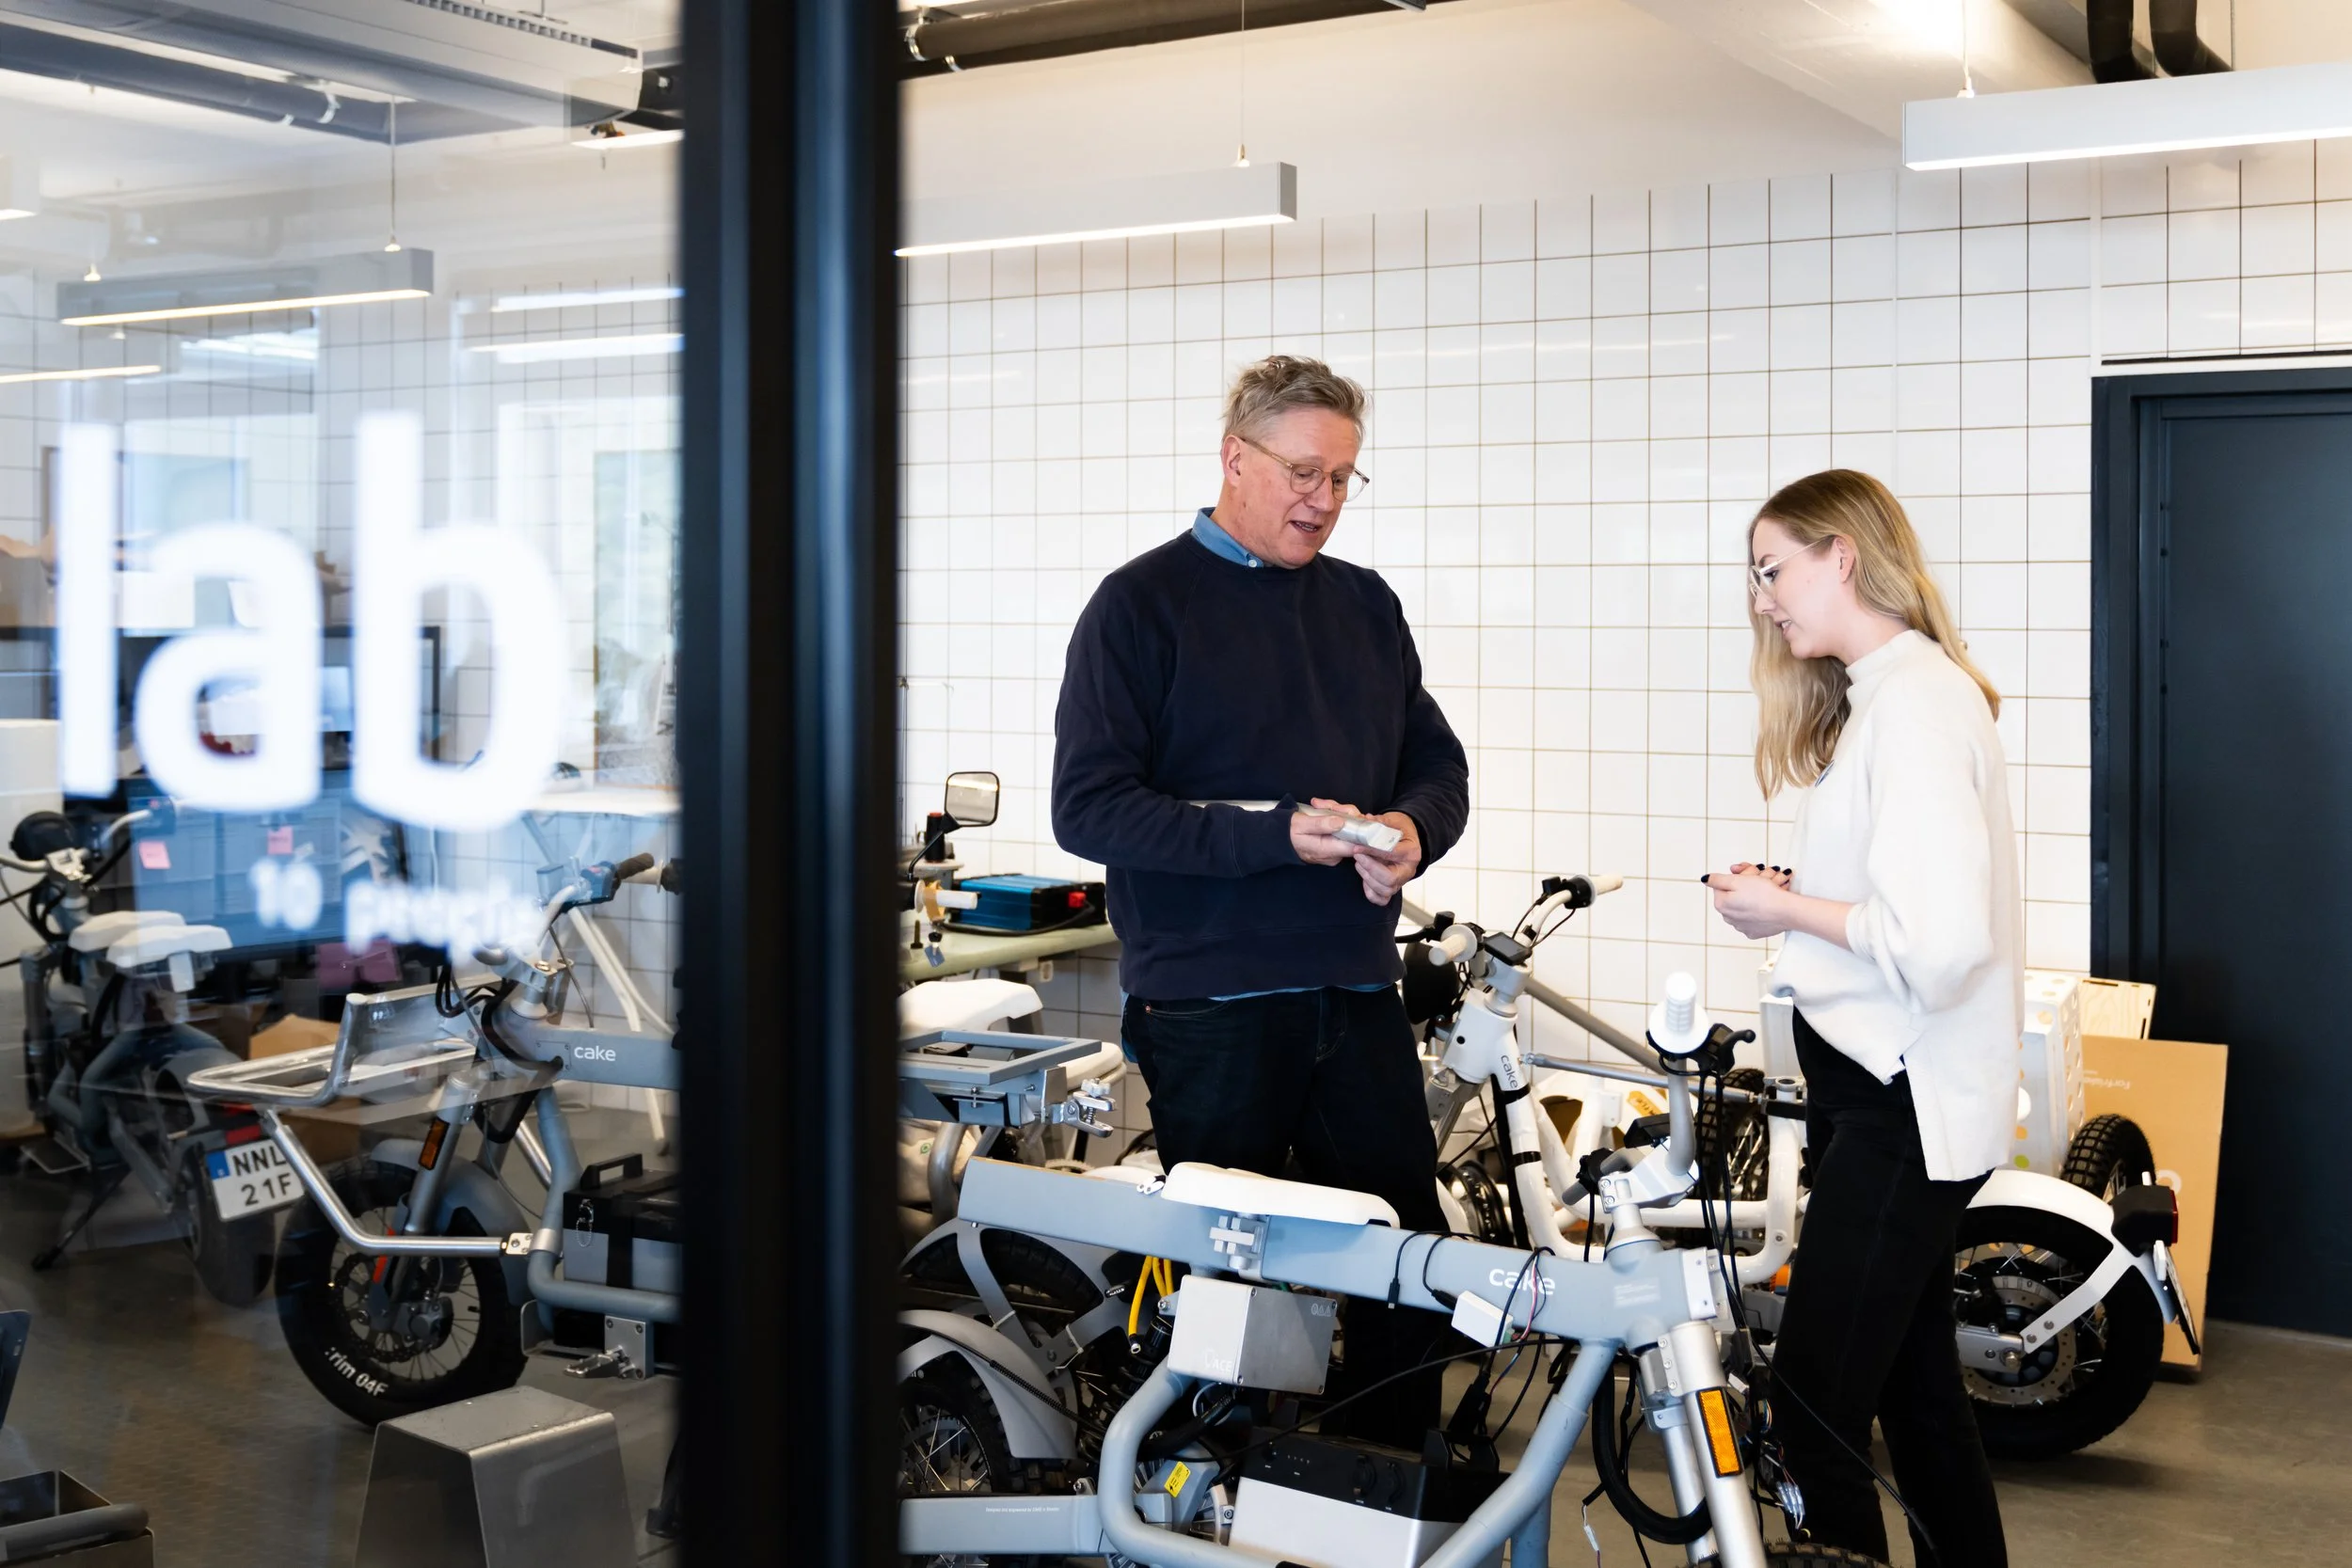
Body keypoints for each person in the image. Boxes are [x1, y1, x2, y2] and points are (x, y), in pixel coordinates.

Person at [1051, 354, 1469, 1448]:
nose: (1321, 499)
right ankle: (1206, 1513)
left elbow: (1438, 764)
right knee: (1233, 1302)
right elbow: (1090, 809)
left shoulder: (1364, 606)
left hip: (1354, 990)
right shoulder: (1139, 606)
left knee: (1400, 1275)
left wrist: (1415, 832)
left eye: (1342, 478)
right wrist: (1272, 834)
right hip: (1213, 1006)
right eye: (1302, 472)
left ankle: (1380, 1511)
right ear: (1234, 457)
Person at [1704, 468, 2015, 1567]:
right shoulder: (1892, 692)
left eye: (1770, 568)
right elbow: (1899, 900)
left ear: (1842, 554)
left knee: (1815, 1404)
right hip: (1894, 1097)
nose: (1760, 599)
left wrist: (1785, 904)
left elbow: (1939, 942)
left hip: (1901, 1104)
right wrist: (1799, 888)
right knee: (1913, 1392)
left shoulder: (1917, 703)